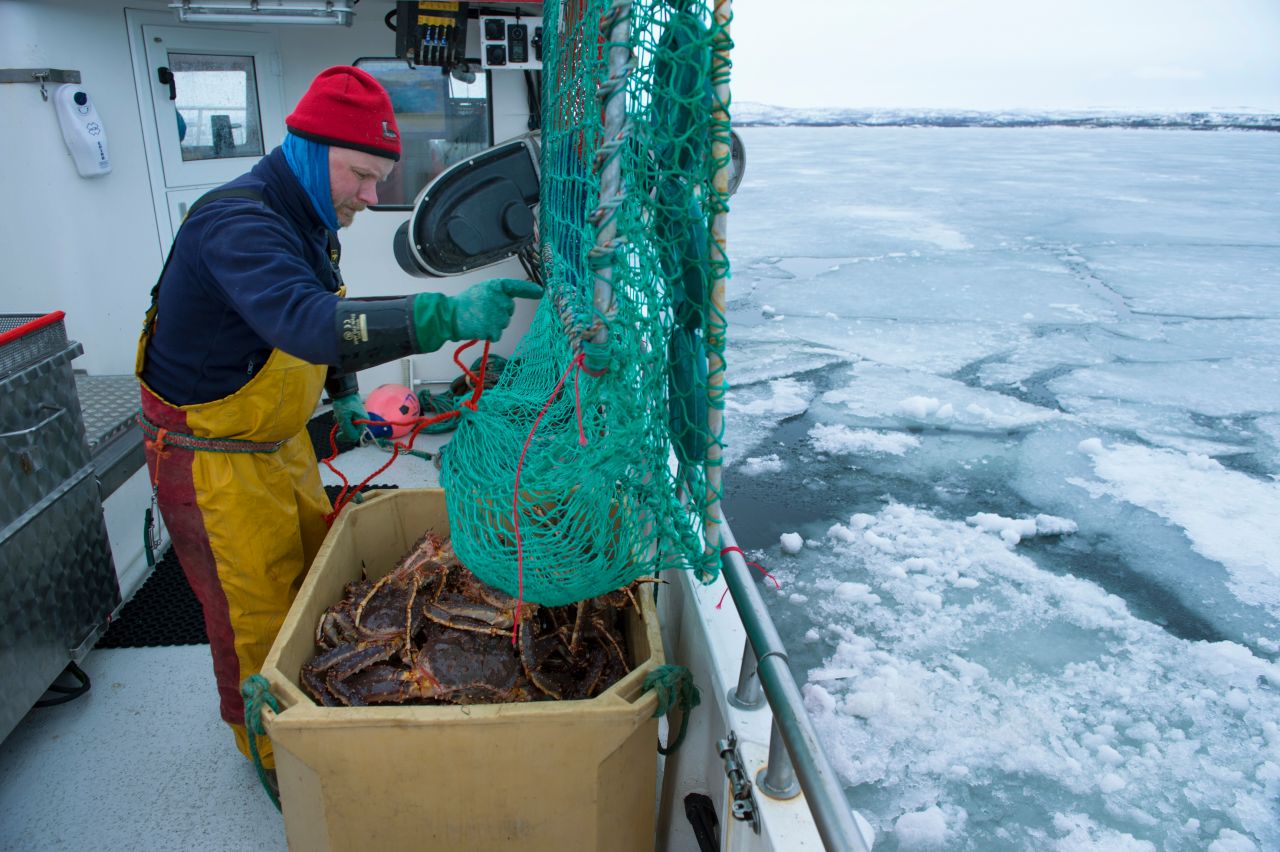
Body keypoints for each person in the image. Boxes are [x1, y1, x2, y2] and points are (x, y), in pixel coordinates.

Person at [135, 66, 540, 770]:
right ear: (307, 147)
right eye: (360, 174)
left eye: (381, 178)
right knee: (252, 614)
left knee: (306, 581)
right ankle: (269, 756)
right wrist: (443, 315)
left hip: (278, 444)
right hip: (213, 461)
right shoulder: (236, 223)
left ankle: (308, 717)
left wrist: (344, 392)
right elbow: (304, 319)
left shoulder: (309, 219)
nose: (371, 195)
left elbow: (324, 301)